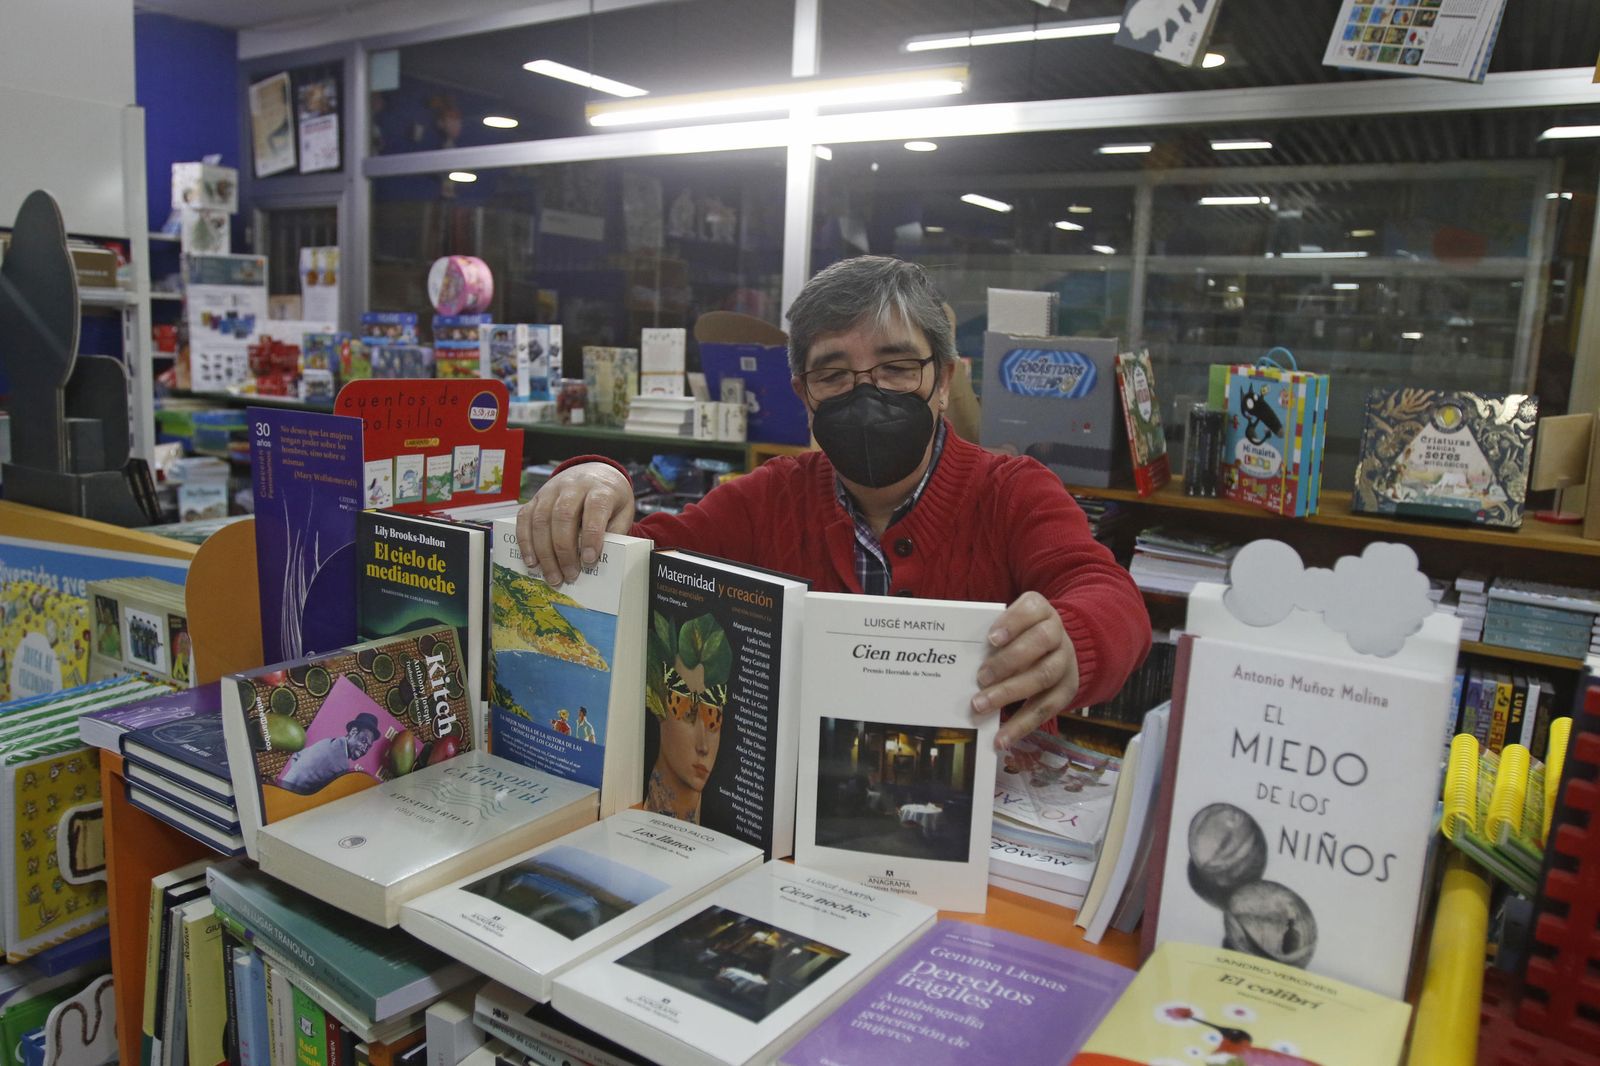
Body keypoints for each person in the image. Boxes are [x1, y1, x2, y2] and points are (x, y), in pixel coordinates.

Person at [518, 256, 1150, 749]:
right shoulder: (769, 494)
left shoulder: (1012, 490)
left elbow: (1107, 594)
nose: (866, 392)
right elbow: (643, 551)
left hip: (986, 823)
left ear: (945, 380)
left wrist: (1074, 640)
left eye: (898, 366)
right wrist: (598, 478)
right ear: (804, 392)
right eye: (834, 374)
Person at [278, 712, 381, 793]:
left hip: (281, 785)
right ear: (353, 732)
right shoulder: (342, 766)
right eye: (363, 740)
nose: (364, 748)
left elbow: (297, 755)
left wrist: (294, 778)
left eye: (368, 746)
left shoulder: (327, 742)